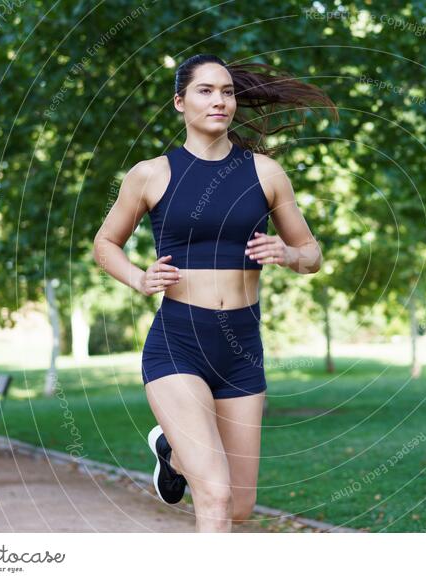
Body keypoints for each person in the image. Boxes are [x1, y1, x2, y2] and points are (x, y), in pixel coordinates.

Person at [92, 54, 337, 532]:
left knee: (240, 504)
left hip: (242, 347)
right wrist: (139, 278)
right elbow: (106, 243)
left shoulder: (265, 173)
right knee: (216, 496)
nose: (220, 99)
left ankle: (171, 452)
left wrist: (287, 254)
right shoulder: (151, 174)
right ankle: (180, 453)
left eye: (227, 91)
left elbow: (313, 254)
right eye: (205, 90)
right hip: (179, 341)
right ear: (180, 102)